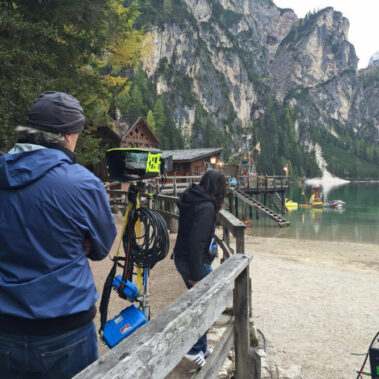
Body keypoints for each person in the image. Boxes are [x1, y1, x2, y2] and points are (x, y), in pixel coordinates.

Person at [0, 91, 117, 378]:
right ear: (67, 135)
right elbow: (101, 248)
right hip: (66, 332)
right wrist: (78, 243)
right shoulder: (83, 184)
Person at [173, 170, 226, 367]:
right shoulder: (206, 207)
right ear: (218, 188)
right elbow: (196, 243)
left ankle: (201, 347)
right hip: (193, 262)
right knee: (206, 302)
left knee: (201, 302)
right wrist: (196, 275)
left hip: (183, 258)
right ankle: (194, 349)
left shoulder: (194, 198)